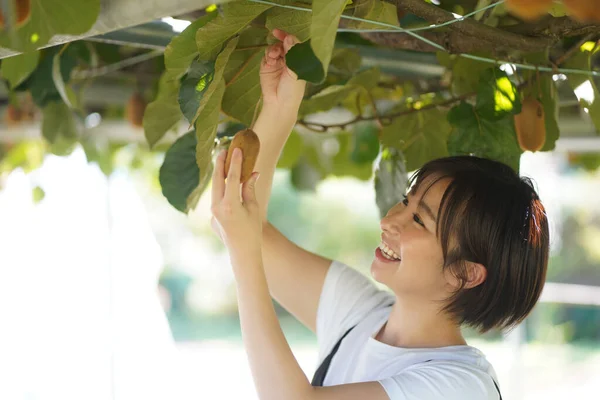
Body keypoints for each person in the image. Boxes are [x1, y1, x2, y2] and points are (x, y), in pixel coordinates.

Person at [210, 28, 549, 400]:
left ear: (464, 272)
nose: (390, 220)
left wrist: (243, 252)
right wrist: (279, 110)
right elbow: (238, 227)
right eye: (406, 200)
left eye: (420, 219)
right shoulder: (359, 313)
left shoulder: (460, 386)